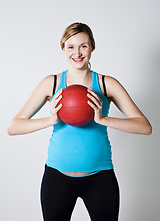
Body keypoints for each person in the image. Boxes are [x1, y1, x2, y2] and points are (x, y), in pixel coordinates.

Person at [7, 22, 152, 221]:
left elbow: (144, 127)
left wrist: (103, 118)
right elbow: (13, 127)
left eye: (83, 46)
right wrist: (50, 119)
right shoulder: (52, 83)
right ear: (63, 49)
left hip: (100, 178)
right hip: (57, 178)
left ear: (92, 47)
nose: (77, 53)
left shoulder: (106, 83)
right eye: (71, 47)